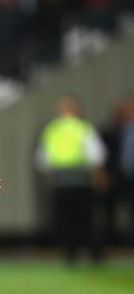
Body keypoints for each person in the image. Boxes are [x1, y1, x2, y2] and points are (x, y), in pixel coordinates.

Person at [35, 94, 107, 264]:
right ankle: (94, 254)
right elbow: (95, 156)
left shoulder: (52, 129)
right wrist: (98, 178)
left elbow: (43, 160)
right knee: (86, 218)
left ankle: (70, 254)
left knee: (65, 220)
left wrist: (52, 179)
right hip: (81, 180)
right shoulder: (83, 128)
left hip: (60, 181)